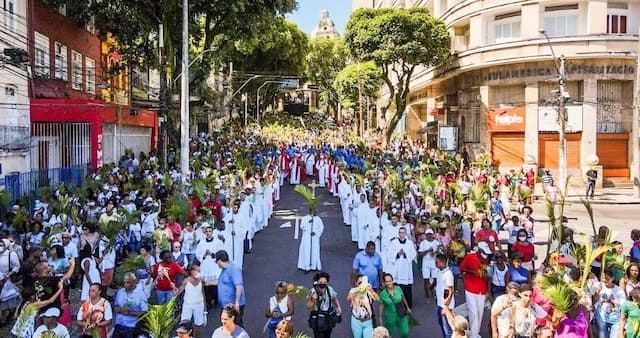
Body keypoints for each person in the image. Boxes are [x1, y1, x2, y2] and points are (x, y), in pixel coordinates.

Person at [458, 241, 492, 338]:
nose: (485, 255)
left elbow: (489, 273)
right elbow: (461, 268)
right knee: (473, 311)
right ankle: (473, 335)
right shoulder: (470, 257)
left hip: (482, 289)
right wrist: (472, 272)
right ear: (479, 250)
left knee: (479, 312)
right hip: (470, 288)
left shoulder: (487, 259)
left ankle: (475, 332)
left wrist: (487, 273)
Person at [386, 226, 416, 307]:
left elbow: (413, 254)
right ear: (398, 233)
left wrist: (406, 254)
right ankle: (396, 303)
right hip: (397, 268)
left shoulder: (410, 243)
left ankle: (408, 305)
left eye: (403, 232)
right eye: (400, 232)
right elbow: (390, 253)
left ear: (406, 233)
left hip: (406, 268)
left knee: (406, 288)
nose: (401, 234)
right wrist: (397, 254)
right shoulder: (394, 243)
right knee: (396, 286)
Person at [306, 271, 342, 338]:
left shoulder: (330, 289)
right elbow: (308, 306)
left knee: (327, 335)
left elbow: (334, 298)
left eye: (324, 282)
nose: (323, 284)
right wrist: (313, 299)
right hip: (317, 319)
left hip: (328, 318)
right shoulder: (313, 291)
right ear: (317, 282)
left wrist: (338, 307)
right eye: (321, 282)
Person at [113, 273, 148, 338]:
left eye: (128, 282)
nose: (125, 285)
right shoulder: (120, 291)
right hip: (118, 324)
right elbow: (115, 306)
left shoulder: (141, 294)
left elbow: (144, 312)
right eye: (124, 282)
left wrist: (129, 313)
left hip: (131, 327)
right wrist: (119, 309)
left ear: (134, 282)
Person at [216, 250, 246, 326]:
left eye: (217, 261)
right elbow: (223, 283)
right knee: (229, 326)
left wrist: (237, 303)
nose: (217, 264)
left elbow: (238, 286)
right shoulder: (225, 270)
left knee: (235, 326)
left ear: (219, 260)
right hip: (227, 305)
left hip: (232, 306)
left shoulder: (234, 269)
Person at [592, 268, 625, 338]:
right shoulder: (597, 285)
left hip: (616, 320)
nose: (604, 280)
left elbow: (623, 307)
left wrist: (613, 301)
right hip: (601, 319)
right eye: (603, 278)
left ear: (612, 278)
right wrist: (597, 292)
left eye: (607, 278)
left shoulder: (619, 290)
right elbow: (593, 301)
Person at [176, 264, 206, 338]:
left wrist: (205, 306)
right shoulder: (186, 281)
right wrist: (174, 288)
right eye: (197, 271)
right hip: (187, 305)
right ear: (192, 271)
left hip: (199, 305)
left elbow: (203, 292)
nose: (199, 273)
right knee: (184, 324)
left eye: (199, 271)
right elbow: (178, 292)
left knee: (198, 324)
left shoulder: (201, 280)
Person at [378, 273, 411, 338]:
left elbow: (403, 298)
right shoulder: (383, 294)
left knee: (405, 332)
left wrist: (407, 307)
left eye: (390, 281)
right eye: (387, 282)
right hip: (390, 316)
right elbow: (381, 308)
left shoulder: (398, 289)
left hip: (401, 313)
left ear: (392, 281)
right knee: (388, 334)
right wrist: (380, 320)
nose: (389, 283)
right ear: (384, 283)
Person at [297, 207, 325, 273]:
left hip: (314, 238)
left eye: (315, 211)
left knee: (314, 251)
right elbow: (302, 226)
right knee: (306, 251)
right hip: (306, 238)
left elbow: (321, 228)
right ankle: (306, 266)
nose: (315, 212)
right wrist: (308, 223)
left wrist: (316, 233)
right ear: (310, 211)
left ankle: (314, 266)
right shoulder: (305, 218)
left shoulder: (318, 219)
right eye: (313, 211)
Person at [419, 228, 441, 302]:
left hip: (434, 263)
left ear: (432, 235)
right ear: (425, 235)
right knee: (426, 280)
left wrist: (435, 252)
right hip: (426, 263)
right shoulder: (423, 243)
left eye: (430, 234)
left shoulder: (436, 243)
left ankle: (431, 288)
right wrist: (428, 250)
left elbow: (440, 251)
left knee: (436, 280)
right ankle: (427, 297)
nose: (429, 236)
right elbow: (420, 254)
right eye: (427, 235)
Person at [435, 253, 455, 338]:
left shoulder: (448, 274)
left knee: (447, 330)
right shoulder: (439, 272)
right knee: (442, 326)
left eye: (437, 262)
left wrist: (446, 307)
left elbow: (449, 291)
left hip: (445, 306)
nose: (435, 264)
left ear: (443, 263)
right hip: (439, 303)